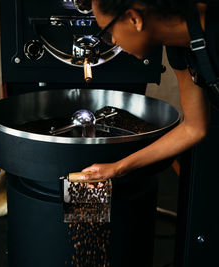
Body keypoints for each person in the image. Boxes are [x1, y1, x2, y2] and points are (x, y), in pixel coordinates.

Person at [80, 0, 219, 181]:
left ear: (134, 19)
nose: (113, 41)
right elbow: (194, 127)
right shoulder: (176, 48)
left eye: (109, 32)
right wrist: (116, 169)